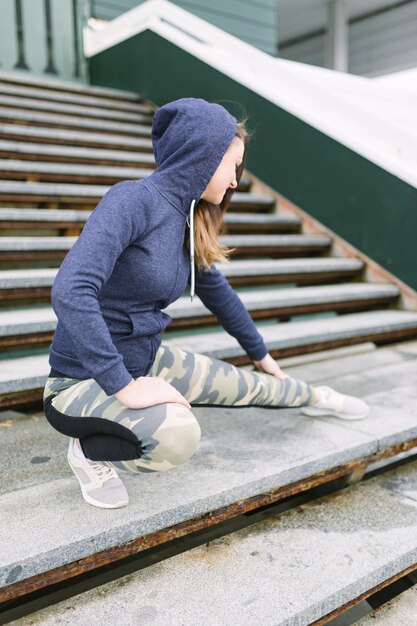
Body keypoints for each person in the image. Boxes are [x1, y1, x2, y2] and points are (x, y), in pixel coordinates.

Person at [43, 97, 369, 510]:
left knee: (249, 385)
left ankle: (318, 398)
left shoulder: (187, 220)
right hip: (79, 381)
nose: (236, 181)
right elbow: (71, 289)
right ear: (203, 155)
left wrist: (262, 356)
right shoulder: (132, 201)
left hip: (148, 361)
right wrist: (123, 385)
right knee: (176, 436)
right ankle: (88, 452)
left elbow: (222, 297)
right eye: (233, 165)